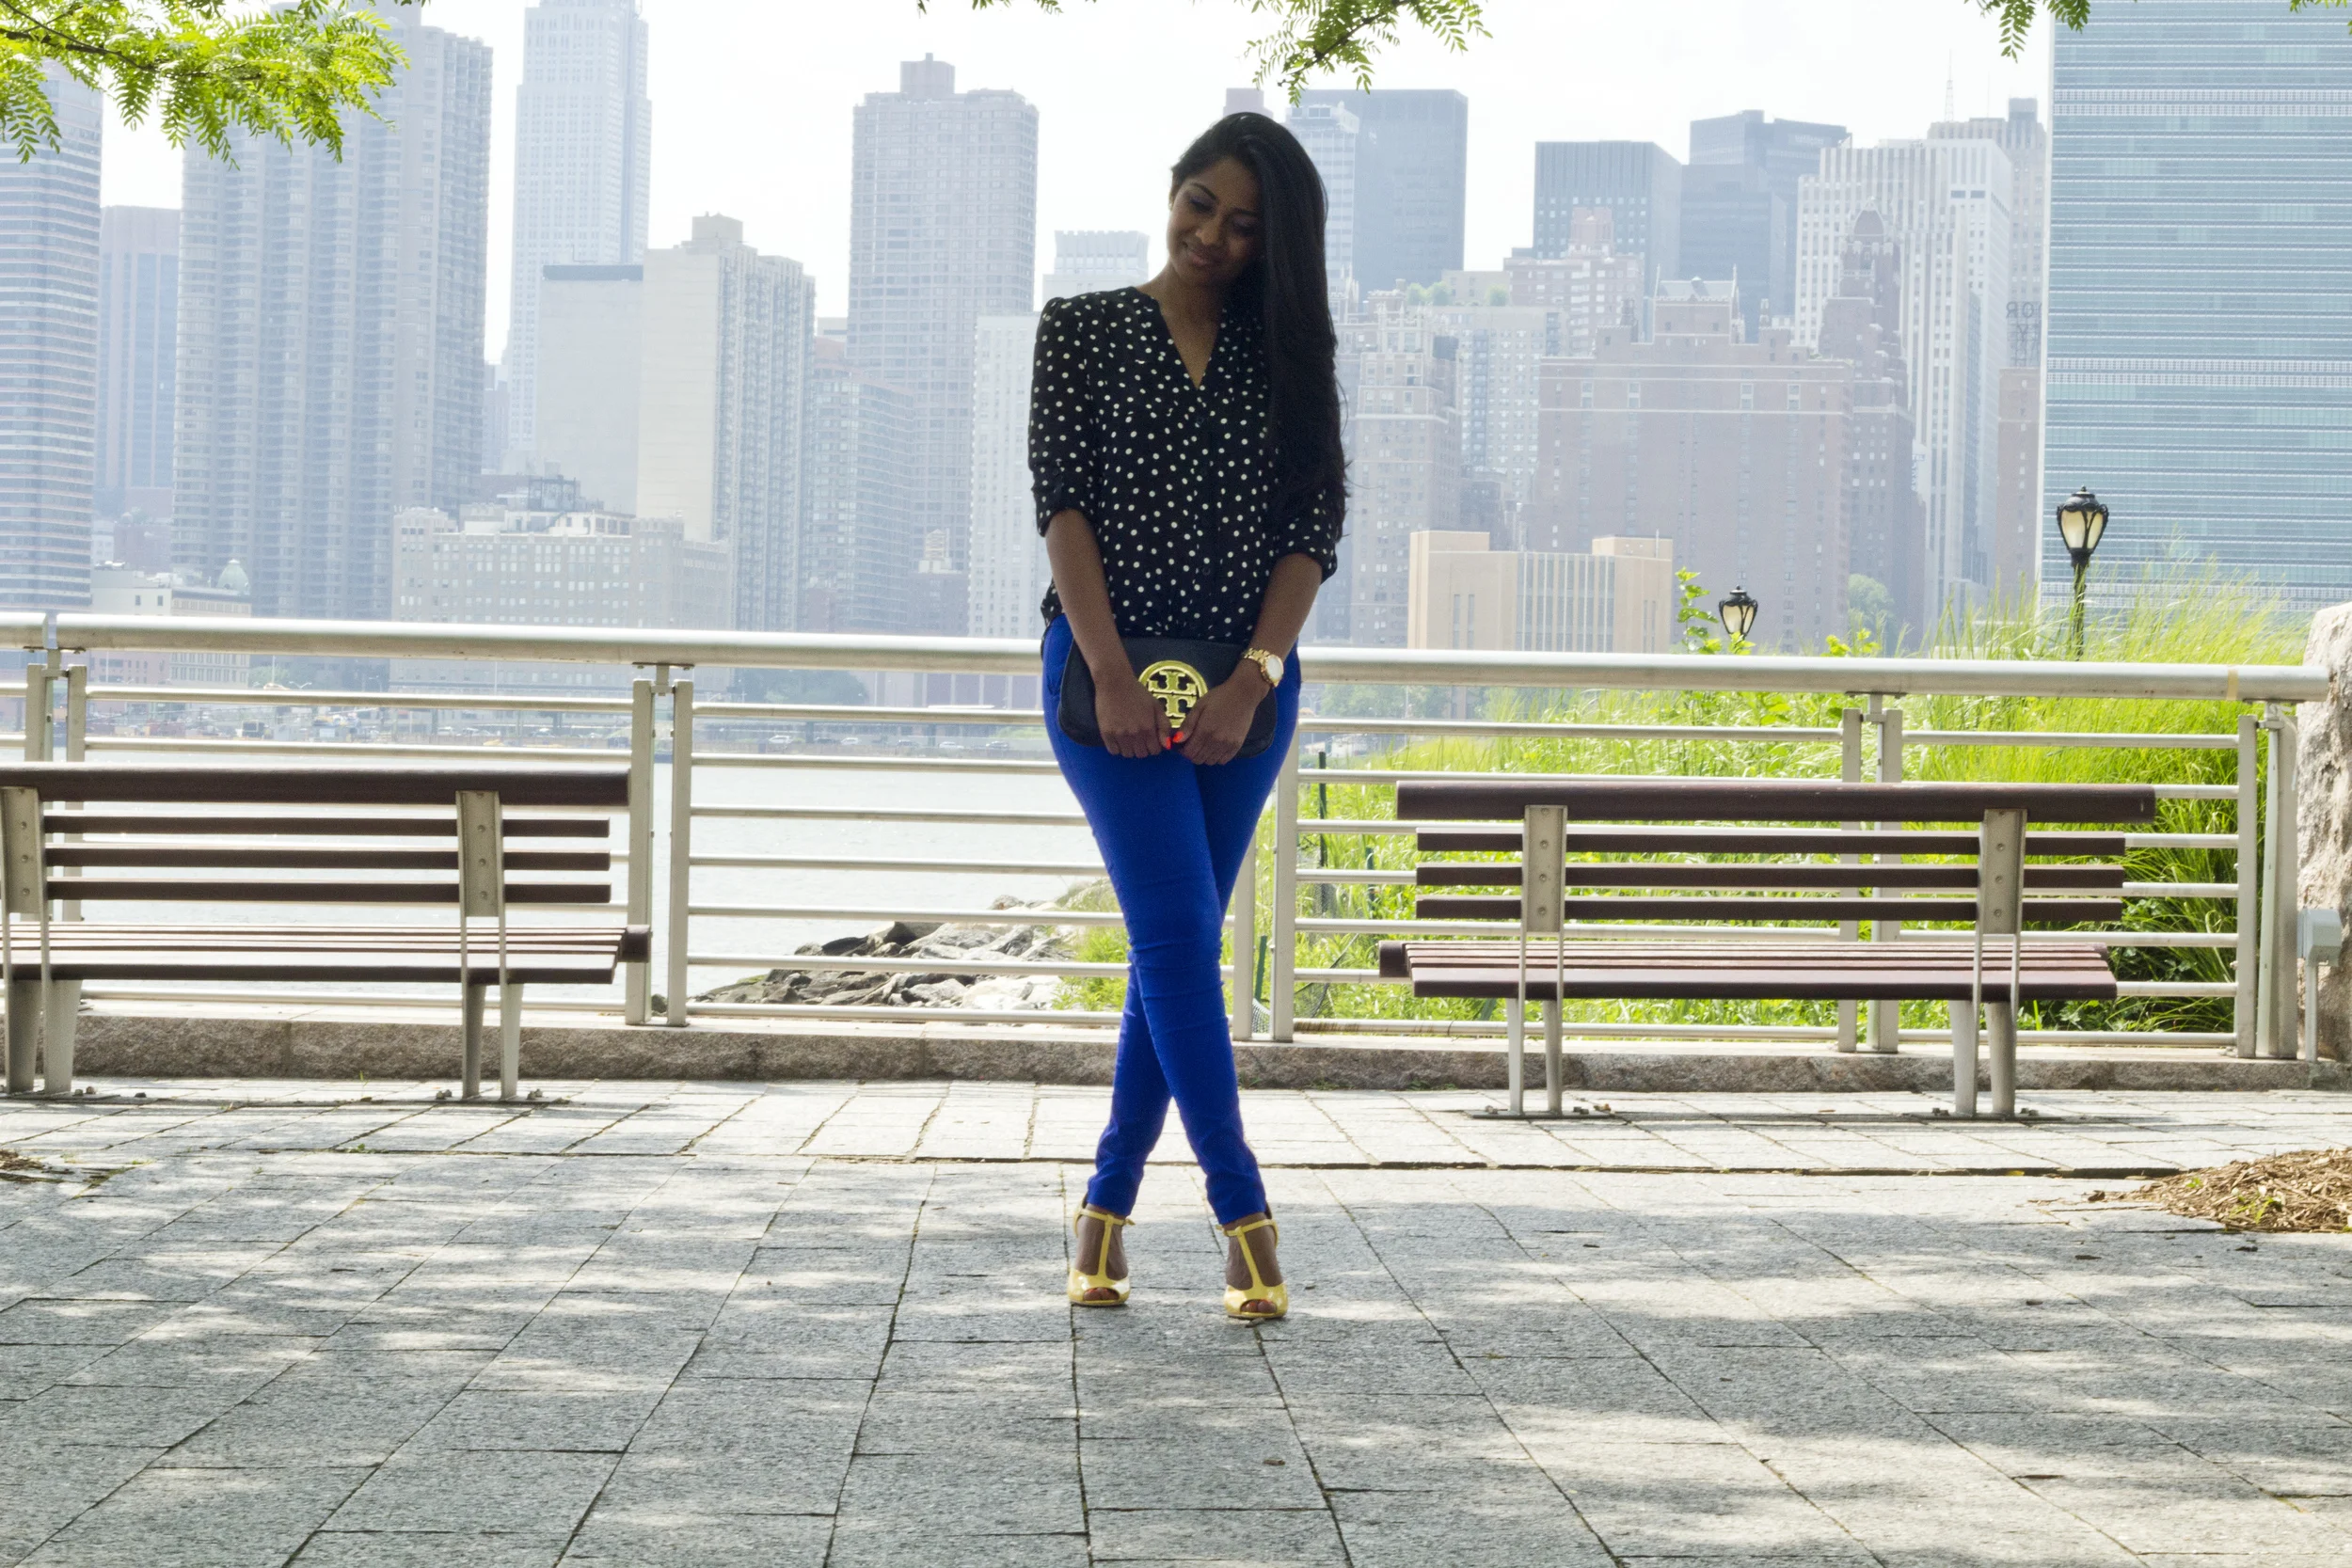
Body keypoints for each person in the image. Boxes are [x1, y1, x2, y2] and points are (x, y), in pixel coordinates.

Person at [1029, 112, 1345, 1321]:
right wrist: (1111, 672)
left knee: (1175, 944)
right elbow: (1063, 508)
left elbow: (1309, 533)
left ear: (1276, 244)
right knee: (1174, 937)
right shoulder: (1081, 329)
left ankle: (1103, 1212)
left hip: (1245, 689)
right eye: (1200, 203)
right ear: (1170, 192)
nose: (1211, 235)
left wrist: (1255, 677)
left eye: (1245, 224)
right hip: (1100, 679)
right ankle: (1244, 1218)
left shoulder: (1290, 358)